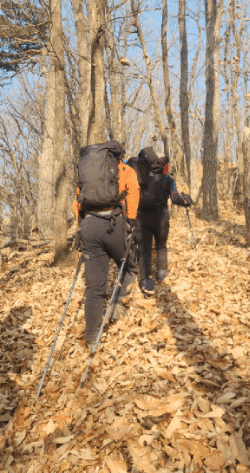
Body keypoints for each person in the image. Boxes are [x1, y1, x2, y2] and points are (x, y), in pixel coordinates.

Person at [72, 140, 140, 349]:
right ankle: (117, 307)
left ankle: (91, 337)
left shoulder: (88, 173)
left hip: (89, 226)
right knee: (130, 267)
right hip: (113, 223)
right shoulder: (123, 170)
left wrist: (82, 225)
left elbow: (77, 203)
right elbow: (134, 192)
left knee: (94, 287)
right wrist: (130, 221)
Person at [134, 147, 193, 296]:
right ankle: (161, 274)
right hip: (161, 217)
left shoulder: (140, 177)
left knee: (145, 251)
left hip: (141, 218)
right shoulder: (168, 179)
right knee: (161, 246)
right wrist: (186, 201)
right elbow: (175, 198)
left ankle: (147, 283)